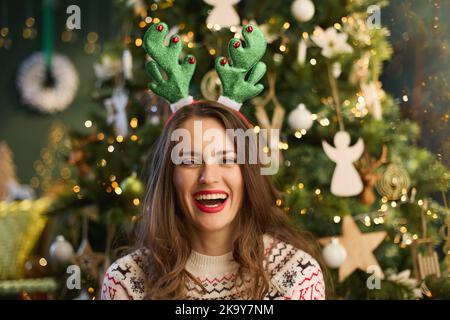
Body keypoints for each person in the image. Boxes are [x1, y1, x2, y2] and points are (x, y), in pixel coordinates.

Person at [101, 22, 327, 300]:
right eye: (189, 160)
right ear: (169, 176)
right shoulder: (126, 281)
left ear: (248, 174)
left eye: (227, 160)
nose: (209, 176)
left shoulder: (297, 275)